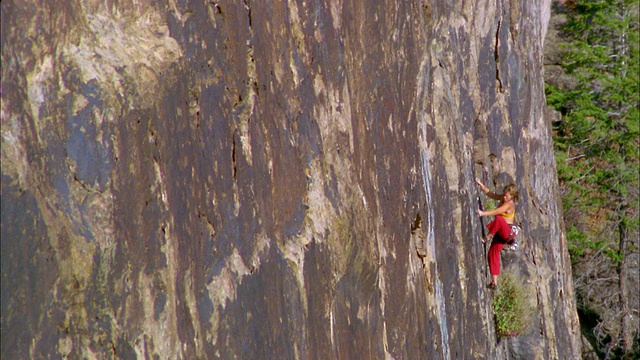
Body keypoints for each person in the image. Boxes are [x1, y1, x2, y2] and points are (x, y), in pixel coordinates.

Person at [475, 178, 519, 289]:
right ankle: (494, 282)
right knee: (492, 254)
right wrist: (481, 184)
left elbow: (497, 212)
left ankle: (487, 238)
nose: (504, 197)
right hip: (500, 233)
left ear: (512, 196)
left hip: (507, 233)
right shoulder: (504, 199)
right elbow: (492, 195)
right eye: (504, 195)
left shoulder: (509, 204)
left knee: (499, 219)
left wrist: (483, 213)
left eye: (507, 196)